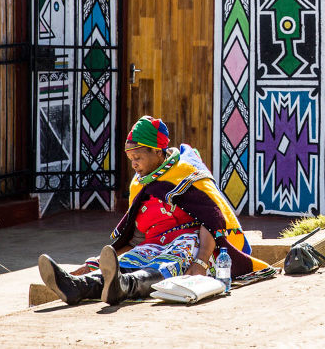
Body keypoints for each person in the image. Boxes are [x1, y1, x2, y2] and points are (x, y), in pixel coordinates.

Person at [37, 115, 272, 305]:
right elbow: (137, 237)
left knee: (165, 264)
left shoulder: (187, 174)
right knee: (127, 261)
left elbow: (212, 220)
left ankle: (124, 287)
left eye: (138, 157)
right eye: (130, 158)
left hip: (191, 242)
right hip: (154, 243)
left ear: (158, 152)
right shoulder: (140, 184)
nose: (134, 164)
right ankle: (78, 287)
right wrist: (95, 264)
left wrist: (200, 262)